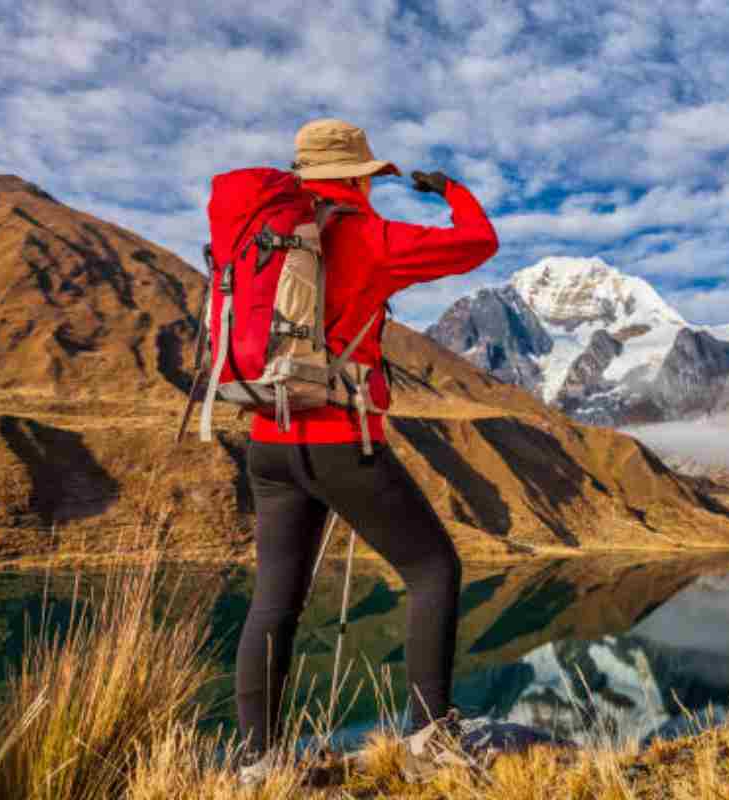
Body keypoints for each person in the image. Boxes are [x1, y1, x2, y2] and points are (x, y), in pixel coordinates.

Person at [234, 118, 498, 782]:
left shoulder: (262, 235)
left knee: (274, 601)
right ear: (356, 177)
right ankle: (429, 744)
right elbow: (477, 243)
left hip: (266, 438)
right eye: (370, 177)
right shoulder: (369, 236)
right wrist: (454, 192)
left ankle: (258, 764)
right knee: (433, 568)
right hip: (337, 441)